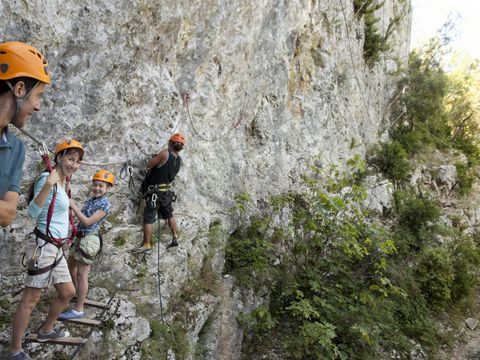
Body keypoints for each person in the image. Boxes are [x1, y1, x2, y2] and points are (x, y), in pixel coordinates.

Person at [9, 140, 83, 360]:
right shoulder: (47, 179)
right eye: (70, 159)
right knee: (30, 299)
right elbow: (32, 213)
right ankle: (15, 350)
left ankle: (45, 330)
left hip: (57, 247)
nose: (74, 164)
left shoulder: (63, 182)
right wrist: (48, 185)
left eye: (77, 161)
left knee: (68, 292)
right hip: (43, 246)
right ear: (59, 158)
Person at [0, 41, 50, 226]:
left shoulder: (17, 148)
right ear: (19, 89)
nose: (38, 106)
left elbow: (8, 215)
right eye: (38, 95)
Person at [59, 170, 113, 320]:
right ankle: (77, 294)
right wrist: (68, 183)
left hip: (89, 240)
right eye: (95, 185)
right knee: (70, 267)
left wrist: (74, 207)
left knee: (82, 274)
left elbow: (88, 221)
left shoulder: (105, 204)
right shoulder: (91, 201)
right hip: (80, 238)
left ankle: (78, 309)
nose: (97, 188)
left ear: (108, 188)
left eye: (101, 186)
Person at [130, 133, 185, 254]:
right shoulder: (179, 160)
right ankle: (175, 237)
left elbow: (149, 164)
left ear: (170, 143)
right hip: (166, 192)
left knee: (148, 217)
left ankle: (146, 244)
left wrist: (156, 157)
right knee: (169, 215)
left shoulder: (165, 153)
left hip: (155, 191)